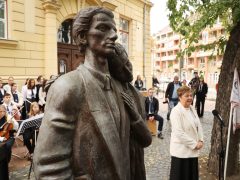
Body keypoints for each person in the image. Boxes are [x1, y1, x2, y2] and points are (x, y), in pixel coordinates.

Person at [34, 7, 148, 180]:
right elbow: (49, 167)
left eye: (114, 30)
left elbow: (139, 144)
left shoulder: (123, 88)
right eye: (103, 28)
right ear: (82, 37)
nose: (114, 36)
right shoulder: (68, 86)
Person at [108, 42, 152, 180]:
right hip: (118, 166)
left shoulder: (138, 96)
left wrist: (135, 116)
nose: (128, 70)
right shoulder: (108, 94)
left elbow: (146, 140)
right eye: (121, 68)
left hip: (137, 164)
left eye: (128, 63)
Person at [169, 86, 204, 180]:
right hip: (181, 152)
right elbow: (179, 133)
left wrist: (201, 140)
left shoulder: (192, 109)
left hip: (192, 152)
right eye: (186, 96)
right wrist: (195, 144)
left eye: (191, 95)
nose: (190, 98)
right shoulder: (176, 111)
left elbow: (199, 126)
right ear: (180, 97)